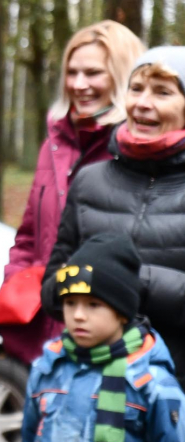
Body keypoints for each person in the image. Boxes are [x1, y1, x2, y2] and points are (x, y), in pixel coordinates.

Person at [0, 21, 144, 363]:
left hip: (114, 341)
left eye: (93, 73)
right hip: (51, 334)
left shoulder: (137, 150)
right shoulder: (55, 143)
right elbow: (30, 235)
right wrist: (16, 285)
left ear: (122, 75)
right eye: (72, 72)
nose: (79, 85)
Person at [43, 46, 185, 382]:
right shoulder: (90, 181)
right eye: (136, 89)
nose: (142, 103)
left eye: (162, 93)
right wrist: (78, 285)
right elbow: (51, 292)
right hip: (93, 386)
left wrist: (131, 281)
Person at [22, 232, 185, 442]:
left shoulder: (150, 382)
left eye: (93, 305)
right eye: (70, 302)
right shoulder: (48, 368)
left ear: (122, 312)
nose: (78, 315)